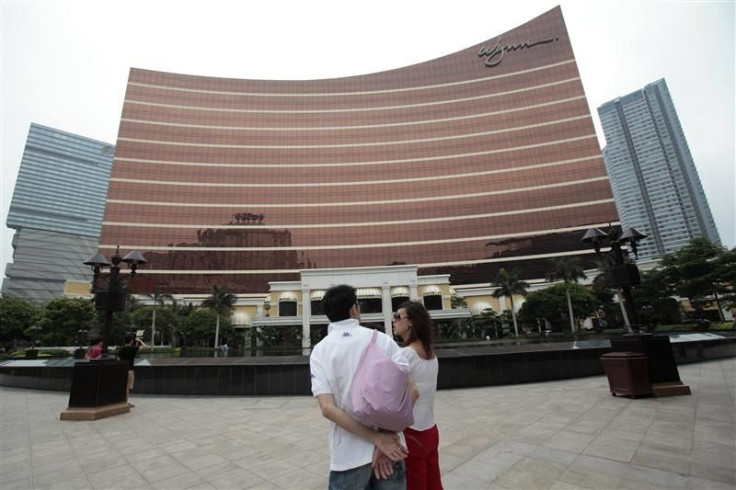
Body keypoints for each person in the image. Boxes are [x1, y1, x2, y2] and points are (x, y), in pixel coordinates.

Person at [310, 284, 410, 489]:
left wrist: (375, 438)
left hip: (348, 455)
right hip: (392, 448)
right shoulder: (382, 340)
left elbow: (327, 408)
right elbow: (406, 391)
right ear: (354, 309)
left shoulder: (321, 351)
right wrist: (382, 440)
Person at [392, 301, 443, 490]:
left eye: (398, 317)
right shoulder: (431, 354)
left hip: (412, 433)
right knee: (433, 483)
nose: (394, 321)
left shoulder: (405, 355)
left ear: (411, 322)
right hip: (430, 429)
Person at [117, 334, 146, 407]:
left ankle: (121, 401)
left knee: (123, 387)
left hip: (122, 370)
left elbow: (118, 359)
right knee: (127, 388)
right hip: (130, 370)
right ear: (131, 341)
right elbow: (144, 347)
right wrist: (140, 341)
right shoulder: (133, 349)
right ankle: (125, 403)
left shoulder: (121, 349)